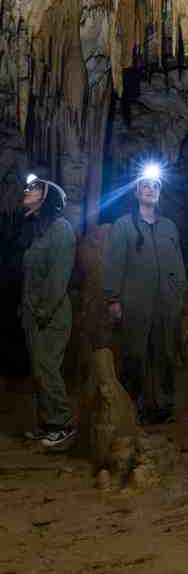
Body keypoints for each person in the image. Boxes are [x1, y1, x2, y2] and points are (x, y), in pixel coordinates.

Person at [103, 166, 187, 424]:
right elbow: (114, 263)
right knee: (134, 355)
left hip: (166, 304)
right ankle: (132, 407)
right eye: (145, 186)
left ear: (160, 193)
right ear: (138, 192)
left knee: (166, 355)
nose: (150, 190)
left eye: (155, 186)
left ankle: (163, 406)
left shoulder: (169, 227)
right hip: (135, 303)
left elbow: (178, 264)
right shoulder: (124, 226)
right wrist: (113, 299)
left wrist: (179, 292)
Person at [21, 174, 77, 450]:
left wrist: (43, 311)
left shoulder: (61, 229)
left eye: (33, 188)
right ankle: (47, 422)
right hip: (35, 314)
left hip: (52, 315)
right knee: (39, 369)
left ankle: (62, 426)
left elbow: (58, 277)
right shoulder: (39, 233)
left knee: (47, 368)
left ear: (48, 197)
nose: (27, 191)